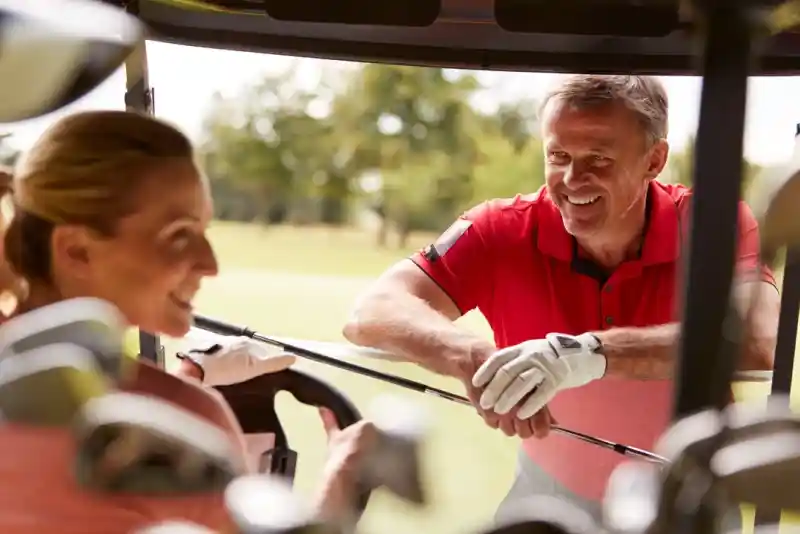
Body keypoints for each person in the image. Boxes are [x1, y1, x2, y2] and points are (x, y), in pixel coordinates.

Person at [342, 75, 780, 522]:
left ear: (654, 160)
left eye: (599, 159)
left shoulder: (717, 221)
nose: (572, 179)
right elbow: (371, 311)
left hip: (686, 500)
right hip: (546, 494)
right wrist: (471, 356)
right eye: (558, 156)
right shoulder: (501, 228)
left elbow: (760, 341)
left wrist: (585, 353)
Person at [0, 110, 375, 533]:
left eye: (204, 230)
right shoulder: (188, 414)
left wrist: (192, 372)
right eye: (179, 235)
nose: (210, 264)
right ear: (76, 251)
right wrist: (341, 483)